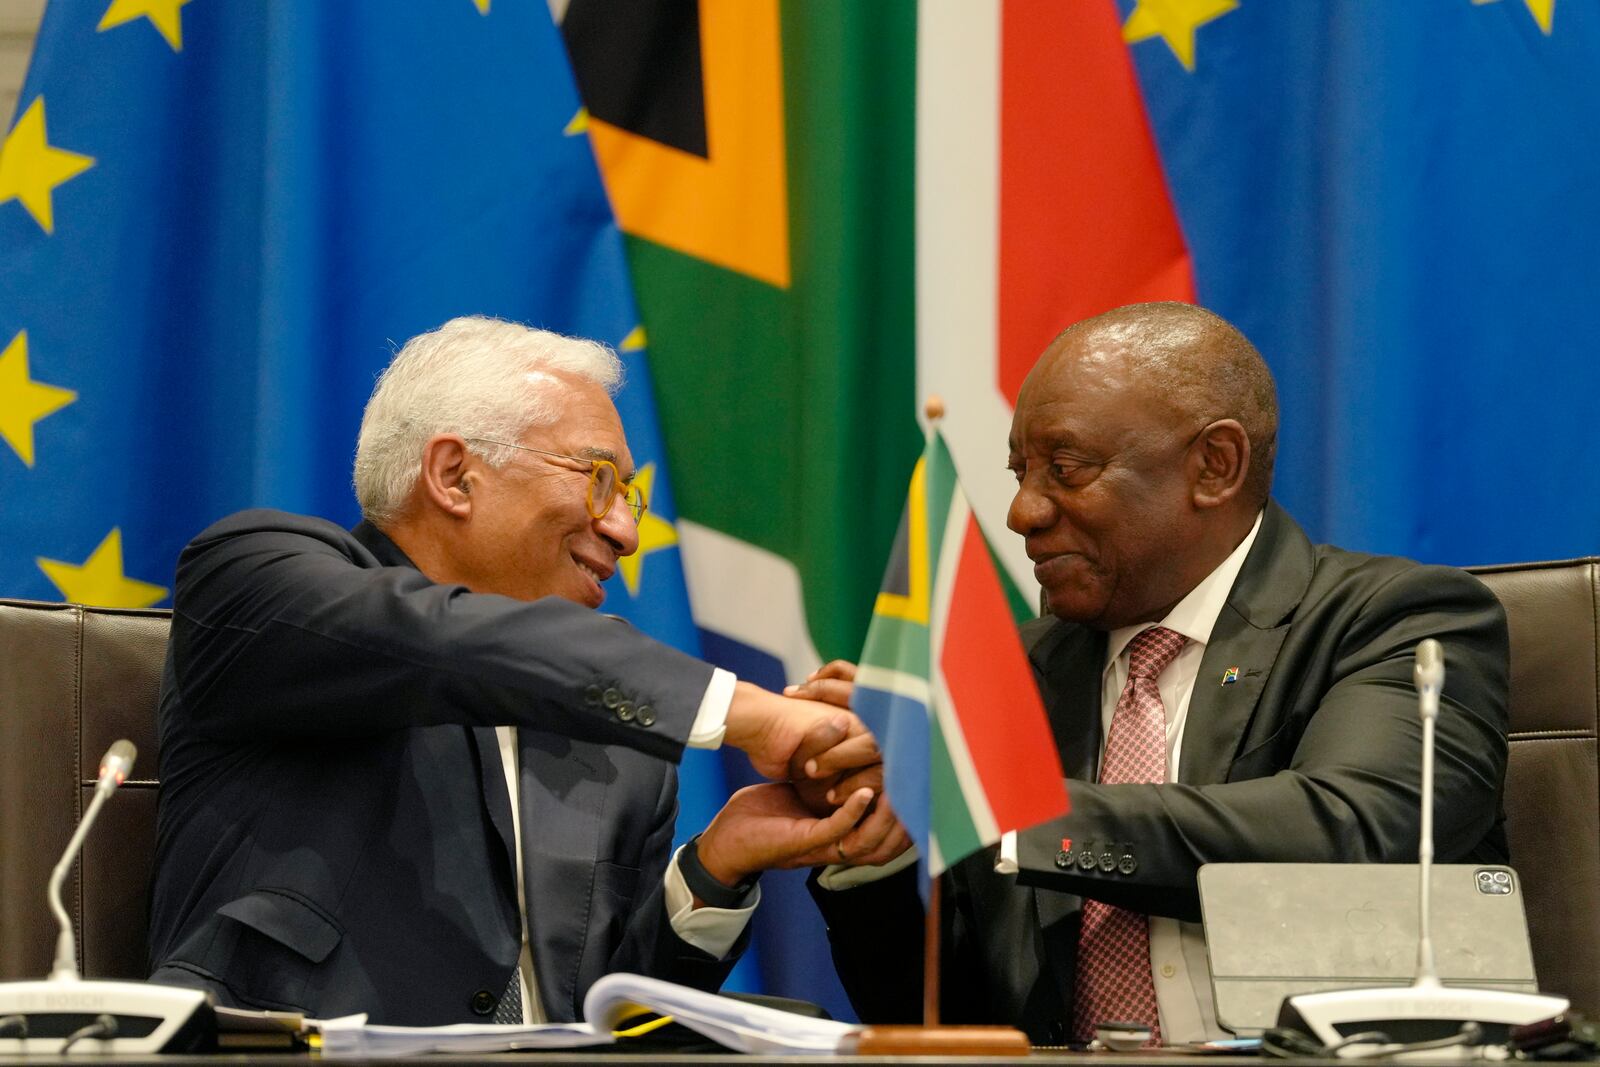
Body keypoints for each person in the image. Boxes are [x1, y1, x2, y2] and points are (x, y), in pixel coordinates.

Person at [146, 316, 902, 1024]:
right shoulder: (251, 577)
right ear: (454, 474)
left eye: (631, 496)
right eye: (598, 479)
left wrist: (715, 868)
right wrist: (752, 713)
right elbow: (440, 641)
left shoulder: (618, 738)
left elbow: (611, 1018)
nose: (626, 530)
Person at [798, 302, 1510, 1045]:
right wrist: (873, 835)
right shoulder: (1007, 676)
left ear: (1214, 466)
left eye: (1065, 469)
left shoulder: (1400, 619)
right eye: (1021, 472)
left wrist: (987, 795)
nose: (1022, 511)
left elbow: (1356, 832)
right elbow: (943, 1017)